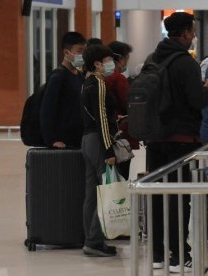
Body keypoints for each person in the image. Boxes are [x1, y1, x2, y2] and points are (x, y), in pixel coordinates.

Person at [146, 12, 208, 273]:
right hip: (182, 139)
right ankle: (179, 255)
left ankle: (158, 254)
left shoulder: (153, 59)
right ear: (184, 33)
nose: (194, 36)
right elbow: (197, 101)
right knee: (178, 198)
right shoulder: (186, 63)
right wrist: (206, 90)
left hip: (155, 138)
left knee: (158, 196)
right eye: (192, 31)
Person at [80, 44, 118, 257]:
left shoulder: (85, 83)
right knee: (104, 190)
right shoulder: (98, 84)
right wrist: (108, 150)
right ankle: (94, 240)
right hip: (98, 141)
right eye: (107, 60)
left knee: (91, 193)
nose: (110, 64)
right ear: (97, 63)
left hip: (86, 140)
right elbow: (102, 119)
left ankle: (90, 238)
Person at [40, 32, 86, 148]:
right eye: (79, 51)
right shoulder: (58, 77)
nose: (83, 55)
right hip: (64, 142)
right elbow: (47, 110)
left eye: (84, 51)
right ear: (66, 52)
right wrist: (52, 140)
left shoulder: (80, 76)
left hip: (79, 140)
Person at [105, 40, 138, 180]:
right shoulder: (118, 79)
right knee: (121, 178)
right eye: (126, 59)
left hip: (106, 135)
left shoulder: (100, 77)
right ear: (120, 58)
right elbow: (127, 104)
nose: (126, 63)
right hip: (121, 136)